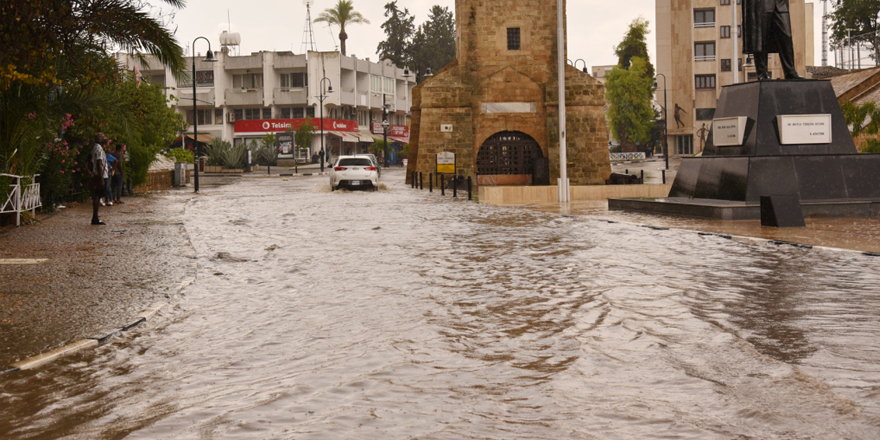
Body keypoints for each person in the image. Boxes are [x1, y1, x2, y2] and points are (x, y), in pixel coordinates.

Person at [742, 0, 803, 80]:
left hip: (780, 3)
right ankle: (762, 73)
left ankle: (790, 71)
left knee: (786, 36)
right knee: (761, 36)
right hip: (761, 3)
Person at [87, 133, 108, 225]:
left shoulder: (94, 147)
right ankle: (95, 217)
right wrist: (101, 177)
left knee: (97, 196)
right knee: (97, 196)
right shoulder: (98, 148)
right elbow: (99, 163)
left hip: (97, 174)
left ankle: (95, 217)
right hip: (100, 175)